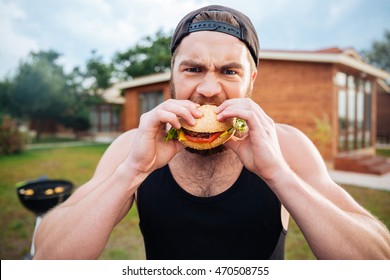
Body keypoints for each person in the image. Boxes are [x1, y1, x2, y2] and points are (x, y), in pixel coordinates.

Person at [34, 5, 390, 260]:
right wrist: (133, 172)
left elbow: (378, 259)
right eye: (192, 68)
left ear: (250, 80)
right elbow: (48, 257)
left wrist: (279, 174)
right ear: (172, 75)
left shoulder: (286, 145)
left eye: (229, 71)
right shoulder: (132, 147)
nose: (208, 88)